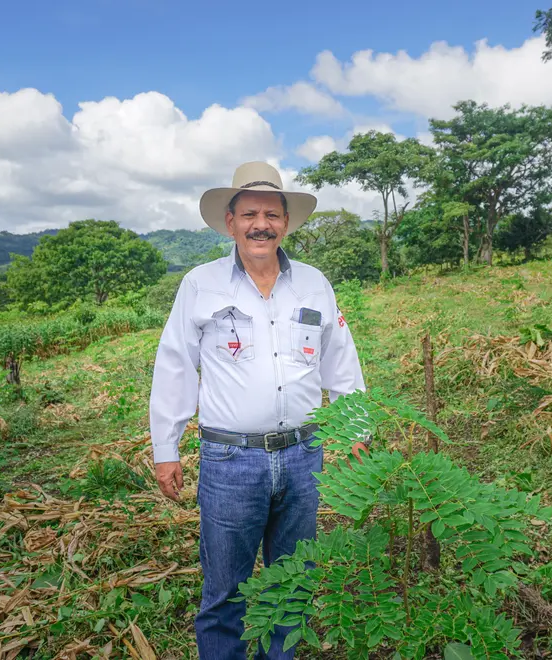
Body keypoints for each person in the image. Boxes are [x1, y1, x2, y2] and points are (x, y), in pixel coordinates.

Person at [148, 161, 368, 659]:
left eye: (271, 213)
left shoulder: (314, 284)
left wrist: (355, 428)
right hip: (230, 461)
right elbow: (175, 364)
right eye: (249, 213)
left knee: (291, 586)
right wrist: (167, 446)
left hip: (304, 454)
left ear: (286, 222)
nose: (260, 224)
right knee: (224, 592)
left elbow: (340, 359)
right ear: (230, 222)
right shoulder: (200, 285)